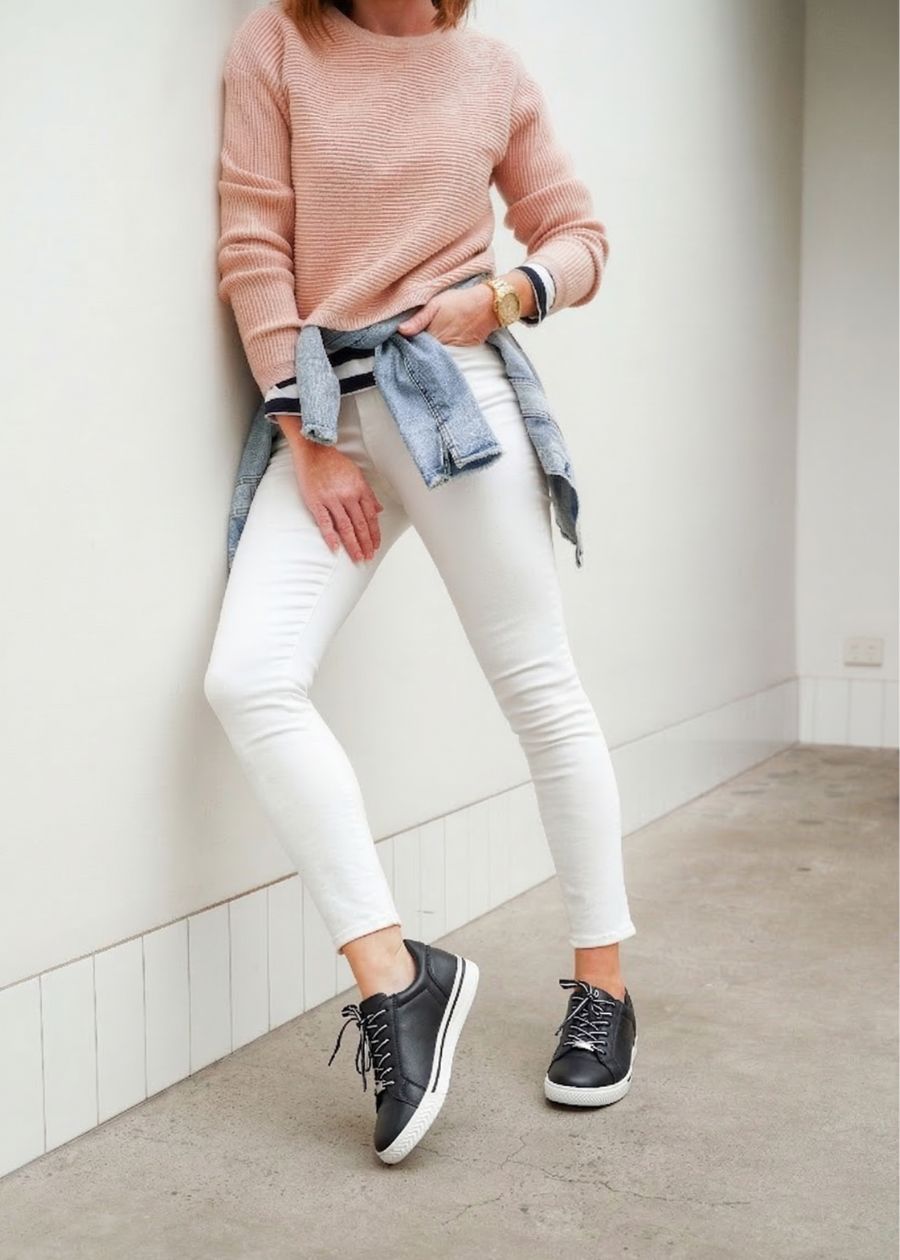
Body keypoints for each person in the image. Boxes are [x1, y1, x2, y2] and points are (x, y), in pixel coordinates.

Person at [204, 0, 638, 1166]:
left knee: (539, 688)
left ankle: (603, 988)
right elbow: (252, 242)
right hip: (327, 414)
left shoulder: (488, 70)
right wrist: (305, 434)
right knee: (248, 679)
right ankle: (398, 979)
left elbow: (579, 237)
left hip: (456, 397)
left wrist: (503, 297)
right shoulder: (278, 44)